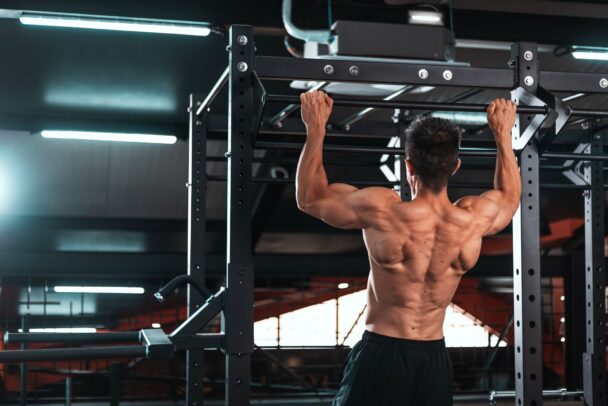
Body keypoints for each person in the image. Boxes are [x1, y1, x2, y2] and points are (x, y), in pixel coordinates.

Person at [295, 91, 521, 406]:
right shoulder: (472, 219)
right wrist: (502, 135)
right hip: (433, 360)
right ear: (455, 166)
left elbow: (310, 198)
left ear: (408, 166)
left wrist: (316, 128)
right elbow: (509, 197)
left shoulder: (382, 210)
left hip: (380, 355)